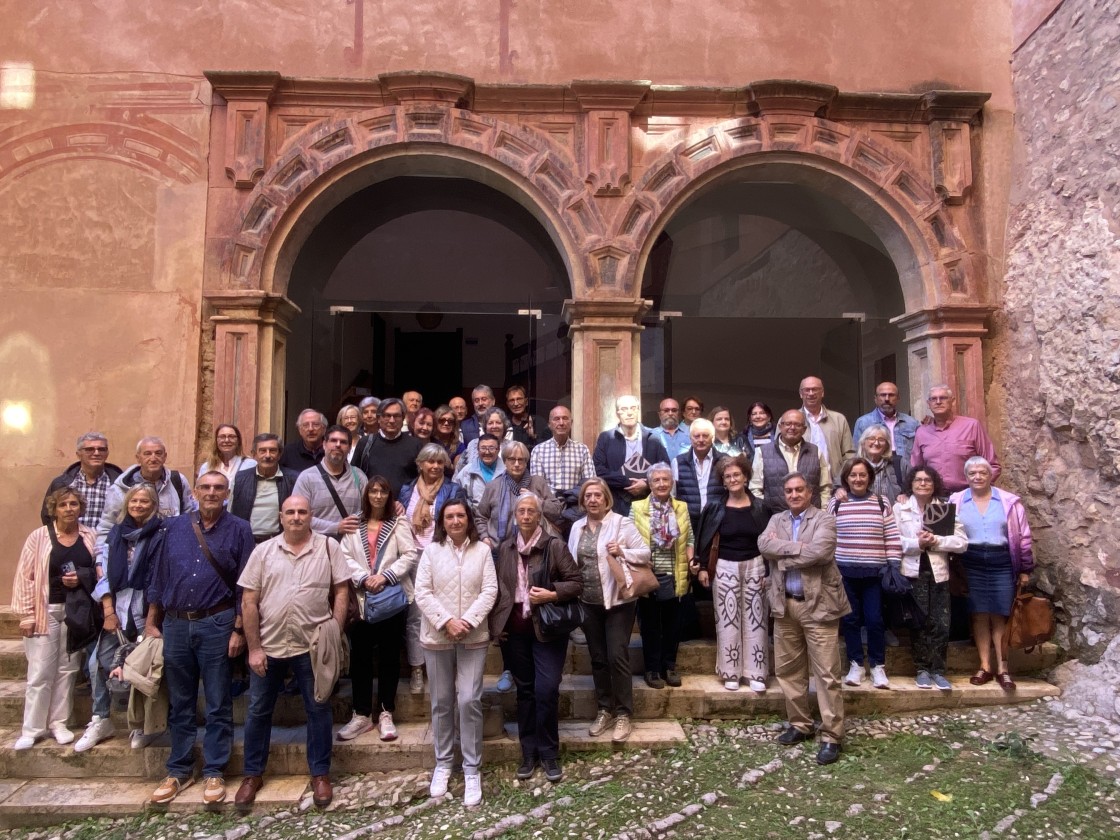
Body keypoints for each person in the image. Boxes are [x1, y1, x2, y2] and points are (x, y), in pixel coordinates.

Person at [144, 472, 254, 805]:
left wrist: (239, 628)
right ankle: (179, 769)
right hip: (175, 624)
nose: (211, 493)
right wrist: (152, 622)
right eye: (205, 487)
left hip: (217, 622)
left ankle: (214, 771)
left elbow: (246, 582)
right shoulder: (174, 527)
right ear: (195, 492)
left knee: (218, 702)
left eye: (218, 488)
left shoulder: (239, 529)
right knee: (180, 702)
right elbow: (159, 575)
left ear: (227, 493)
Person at [234, 494, 351, 809]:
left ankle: (320, 773)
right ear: (281, 517)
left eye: (302, 512)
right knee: (259, 710)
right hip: (269, 646)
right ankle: (253, 774)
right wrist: (254, 648)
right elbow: (249, 601)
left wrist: (334, 631)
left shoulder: (329, 547)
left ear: (311, 515)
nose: (296, 517)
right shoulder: (263, 552)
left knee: (319, 709)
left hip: (312, 647)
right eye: (290, 512)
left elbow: (341, 590)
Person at [490, 493, 581, 783]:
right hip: (514, 631)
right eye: (521, 511)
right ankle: (528, 752)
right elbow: (499, 589)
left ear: (538, 515)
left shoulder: (554, 545)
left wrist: (552, 593)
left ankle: (549, 753)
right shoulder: (505, 548)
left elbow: (577, 582)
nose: (526, 516)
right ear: (515, 516)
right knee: (525, 691)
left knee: (546, 689)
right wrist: (497, 624)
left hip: (547, 630)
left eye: (531, 511)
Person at [758, 471, 848, 766]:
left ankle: (832, 735)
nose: (794, 495)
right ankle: (800, 724)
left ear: (810, 492)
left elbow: (821, 552)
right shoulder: (776, 520)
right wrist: (798, 550)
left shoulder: (824, 519)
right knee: (787, 670)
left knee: (826, 673)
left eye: (799, 490)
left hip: (818, 605)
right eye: (789, 491)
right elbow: (763, 545)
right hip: (784, 605)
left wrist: (781, 555)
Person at [414, 500, 498, 807]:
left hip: (473, 636)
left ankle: (472, 768)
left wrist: (469, 621)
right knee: (441, 702)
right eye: (449, 516)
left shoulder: (483, 551)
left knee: (469, 700)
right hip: (437, 636)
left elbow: (490, 590)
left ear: (469, 519)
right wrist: (447, 621)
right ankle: (443, 763)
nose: (455, 520)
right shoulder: (431, 552)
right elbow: (422, 590)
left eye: (460, 515)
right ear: (442, 521)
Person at [76, 484, 164, 753]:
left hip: (144, 607)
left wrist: (151, 621)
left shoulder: (161, 534)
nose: (139, 505)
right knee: (96, 664)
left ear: (153, 505)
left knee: (142, 667)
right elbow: (102, 574)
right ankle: (101, 719)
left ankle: (141, 725)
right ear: (127, 503)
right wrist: (108, 611)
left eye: (145, 501)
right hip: (116, 607)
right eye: (134, 501)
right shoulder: (115, 534)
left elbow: (160, 577)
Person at [11, 487, 97, 750]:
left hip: (76, 611)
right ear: (54, 509)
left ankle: (59, 723)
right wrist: (26, 616)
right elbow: (25, 576)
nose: (69, 509)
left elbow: (97, 570)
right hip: (44, 609)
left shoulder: (89, 535)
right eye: (63, 505)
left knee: (68, 669)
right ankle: (32, 728)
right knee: (40, 671)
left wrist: (81, 577)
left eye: (73, 504)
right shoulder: (39, 537)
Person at [568, 477, 651, 743]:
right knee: (598, 658)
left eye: (597, 495)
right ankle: (605, 709)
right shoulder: (577, 528)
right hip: (588, 603)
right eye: (588, 496)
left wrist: (623, 550)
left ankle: (624, 713)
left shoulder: (621, 523)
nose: (593, 500)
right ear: (582, 501)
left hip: (618, 603)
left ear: (606, 499)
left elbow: (645, 553)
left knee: (617, 655)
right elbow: (571, 562)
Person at [337, 476, 418, 742]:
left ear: (389, 495)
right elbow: (344, 555)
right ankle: (361, 715)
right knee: (360, 658)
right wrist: (363, 578)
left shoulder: (398, 523)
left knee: (389, 657)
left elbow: (409, 553)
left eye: (383, 491)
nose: (378, 496)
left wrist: (384, 577)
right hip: (360, 600)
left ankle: (386, 712)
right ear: (366, 494)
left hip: (391, 598)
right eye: (373, 491)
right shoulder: (354, 523)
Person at [949, 456, 1034, 691]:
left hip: (1001, 560)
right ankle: (985, 666)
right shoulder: (956, 500)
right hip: (971, 560)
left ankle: (1003, 668)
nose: (977, 477)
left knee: (1000, 614)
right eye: (972, 473)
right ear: (966, 477)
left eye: (982, 473)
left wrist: (1025, 569)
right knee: (978, 614)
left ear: (990, 475)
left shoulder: (1009, 501)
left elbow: (1024, 537)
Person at [695, 454, 771, 692]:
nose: (732, 479)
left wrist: (769, 572)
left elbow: (770, 541)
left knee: (756, 619)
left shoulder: (760, 506)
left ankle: (756, 672)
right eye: (727, 476)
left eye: (736, 474)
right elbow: (704, 538)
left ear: (746, 477)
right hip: (725, 566)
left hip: (755, 565)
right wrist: (704, 567)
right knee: (727, 619)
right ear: (723, 481)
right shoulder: (715, 506)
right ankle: (731, 672)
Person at [400, 444, 469, 695]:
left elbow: (459, 520)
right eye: (430, 462)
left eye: (440, 462)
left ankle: (446, 668)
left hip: (441, 555)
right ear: (420, 464)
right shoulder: (407, 490)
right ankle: (417, 667)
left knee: (446, 609)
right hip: (412, 557)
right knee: (416, 614)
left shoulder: (452, 489)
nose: (435, 466)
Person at [828, 457, 902, 690]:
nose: (858, 479)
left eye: (862, 475)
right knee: (850, 620)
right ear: (846, 479)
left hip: (874, 573)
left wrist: (894, 564)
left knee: (874, 620)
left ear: (869, 477)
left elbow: (891, 536)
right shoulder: (835, 504)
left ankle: (878, 666)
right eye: (853, 475)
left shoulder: (881, 502)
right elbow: (828, 538)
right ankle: (855, 665)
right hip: (845, 572)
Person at [894, 466, 969, 690]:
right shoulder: (900, 509)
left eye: (927, 480)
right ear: (911, 483)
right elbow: (893, 540)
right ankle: (922, 670)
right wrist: (916, 543)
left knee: (941, 623)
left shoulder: (944, 509)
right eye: (918, 480)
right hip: (912, 571)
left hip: (939, 572)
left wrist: (936, 540)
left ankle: (938, 669)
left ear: (934, 484)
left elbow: (962, 542)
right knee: (919, 623)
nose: (923, 484)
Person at [629, 463, 693, 689]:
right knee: (650, 626)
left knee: (673, 626)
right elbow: (630, 538)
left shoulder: (681, 508)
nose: (662, 484)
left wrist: (692, 560)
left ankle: (669, 666)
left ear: (672, 482)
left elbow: (690, 539)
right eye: (657, 480)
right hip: (648, 575)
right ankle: (652, 669)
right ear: (650, 483)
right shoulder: (637, 508)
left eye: (666, 479)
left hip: (675, 574)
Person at [97, 436, 196, 549]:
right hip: (131, 554)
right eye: (147, 454)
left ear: (165, 457)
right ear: (138, 458)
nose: (153, 458)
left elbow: (189, 519)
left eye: (158, 453)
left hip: (170, 552)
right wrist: (100, 560)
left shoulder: (177, 481)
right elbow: (107, 526)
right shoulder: (121, 488)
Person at [911, 384, 1002, 493]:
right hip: (934, 499)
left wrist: (978, 492)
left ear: (952, 401)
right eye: (933, 399)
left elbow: (992, 465)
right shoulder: (922, 432)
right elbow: (916, 469)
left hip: (968, 496)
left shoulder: (971, 426)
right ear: (928, 404)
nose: (938, 402)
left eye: (943, 398)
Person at [478, 441, 564, 550]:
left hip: (536, 550)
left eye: (521, 460)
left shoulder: (538, 482)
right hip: (499, 549)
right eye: (512, 459)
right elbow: (481, 516)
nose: (517, 464)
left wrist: (537, 500)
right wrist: (485, 537)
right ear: (505, 461)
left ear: (526, 462)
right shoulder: (493, 486)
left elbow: (556, 511)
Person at [593, 395, 669, 515]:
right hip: (616, 504)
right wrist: (627, 482)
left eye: (633, 408)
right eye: (624, 409)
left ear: (638, 410)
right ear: (618, 413)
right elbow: (598, 470)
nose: (629, 413)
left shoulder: (653, 438)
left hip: (648, 505)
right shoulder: (606, 438)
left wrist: (646, 484)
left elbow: (665, 468)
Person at [292, 425, 368, 538]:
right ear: (324, 444)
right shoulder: (307, 477)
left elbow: (368, 511)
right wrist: (336, 527)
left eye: (343, 442)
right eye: (333, 440)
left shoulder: (359, 476)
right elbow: (298, 516)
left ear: (348, 447)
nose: (338, 445)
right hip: (317, 547)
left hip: (350, 548)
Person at [750, 411, 831, 513]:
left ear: (804, 429)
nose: (792, 428)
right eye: (788, 424)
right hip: (775, 518)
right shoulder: (763, 452)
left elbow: (825, 488)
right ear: (780, 426)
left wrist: (822, 512)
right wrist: (766, 512)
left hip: (811, 519)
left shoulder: (816, 452)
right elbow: (755, 489)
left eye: (797, 424)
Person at [41, 432, 123, 527]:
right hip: (71, 541)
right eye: (89, 449)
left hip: (107, 541)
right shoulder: (62, 483)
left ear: (107, 454)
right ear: (78, 454)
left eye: (101, 449)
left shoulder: (120, 484)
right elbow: (48, 515)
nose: (96, 453)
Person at [230, 433, 300, 544]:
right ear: (254, 454)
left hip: (279, 543)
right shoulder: (240, 478)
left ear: (279, 454)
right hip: (245, 543)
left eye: (272, 450)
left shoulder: (293, 479)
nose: (267, 455)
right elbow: (231, 512)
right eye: (262, 451)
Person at [356, 397, 423, 493]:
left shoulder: (415, 445)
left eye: (396, 416)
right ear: (379, 419)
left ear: (403, 418)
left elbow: (422, 479)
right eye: (387, 415)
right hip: (373, 505)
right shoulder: (365, 443)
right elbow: (354, 475)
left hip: (404, 506)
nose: (392, 420)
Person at [672, 418, 726, 532]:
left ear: (713, 438)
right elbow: (673, 496)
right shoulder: (678, 462)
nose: (701, 440)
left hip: (717, 523)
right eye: (697, 436)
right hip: (687, 524)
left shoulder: (724, 461)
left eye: (705, 436)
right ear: (691, 438)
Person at [530, 405, 595, 497]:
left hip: (575, 504)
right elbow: (538, 488)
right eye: (556, 419)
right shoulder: (538, 451)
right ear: (549, 424)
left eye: (565, 418)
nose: (561, 423)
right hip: (548, 505)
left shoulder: (582, 450)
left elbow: (590, 483)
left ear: (571, 423)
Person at [799, 376, 855, 483]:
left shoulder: (839, 419)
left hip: (834, 483)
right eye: (807, 390)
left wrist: (841, 481)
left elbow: (849, 455)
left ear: (822, 393)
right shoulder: (789, 420)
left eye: (815, 389)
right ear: (801, 394)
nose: (811, 393)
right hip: (801, 485)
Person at [853, 381, 920, 468]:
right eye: (883, 395)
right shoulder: (863, 422)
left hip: (905, 471)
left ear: (898, 398)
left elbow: (919, 453)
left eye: (891, 395)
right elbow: (857, 453)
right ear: (875, 399)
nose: (887, 399)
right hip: (876, 471)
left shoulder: (911, 422)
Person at [456, 434, 505, 512]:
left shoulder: (507, 471)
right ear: (478, 450)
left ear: (498, 450)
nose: (487, 452)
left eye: (491, 448)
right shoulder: (467, 471)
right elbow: (457, 496)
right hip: (473, 518)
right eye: (483, 448)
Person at [857, 424, 904, 502]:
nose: (876, 443)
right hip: (863, 512)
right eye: (872, 439)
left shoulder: (899, 463)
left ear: (886, 445)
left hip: (892, 512)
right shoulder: (852, 465)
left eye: (881, 440)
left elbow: (914, 485)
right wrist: (840, 490)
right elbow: (838, 487)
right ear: (863, 443)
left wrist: (906, 495)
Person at [505, 384, 550, 449]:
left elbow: (548, 447)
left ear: (526, 402)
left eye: (519, 399)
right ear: (508, 404)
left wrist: (533, 436)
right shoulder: (504, 424)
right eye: (512, 400)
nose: (516, 404)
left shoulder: (539, 422)